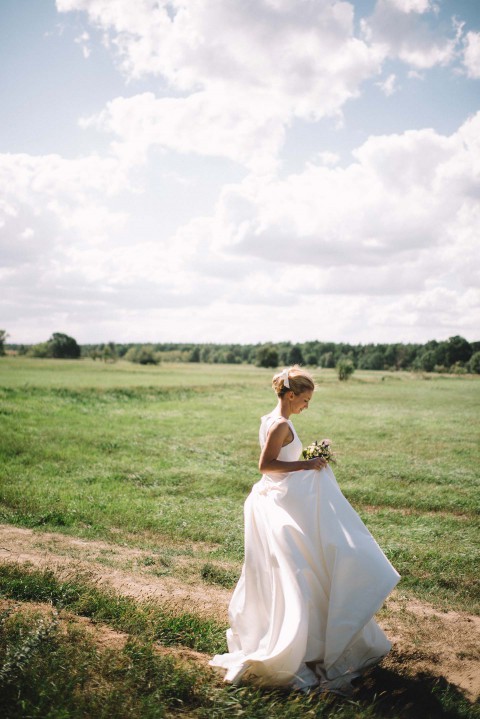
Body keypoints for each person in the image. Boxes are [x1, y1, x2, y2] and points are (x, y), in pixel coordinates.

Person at [210, 365, 400, 694]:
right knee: (295, 571)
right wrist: (307, 464)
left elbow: (279, 460)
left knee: (297, 570)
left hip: (279, 500)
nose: (306, 405)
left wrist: (306, 457)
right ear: (291, 394)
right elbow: (266, 465)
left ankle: (308, 640)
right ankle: (298, 645)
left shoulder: (272, 420)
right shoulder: (281, 424)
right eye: (305, 399)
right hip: (275, 506)